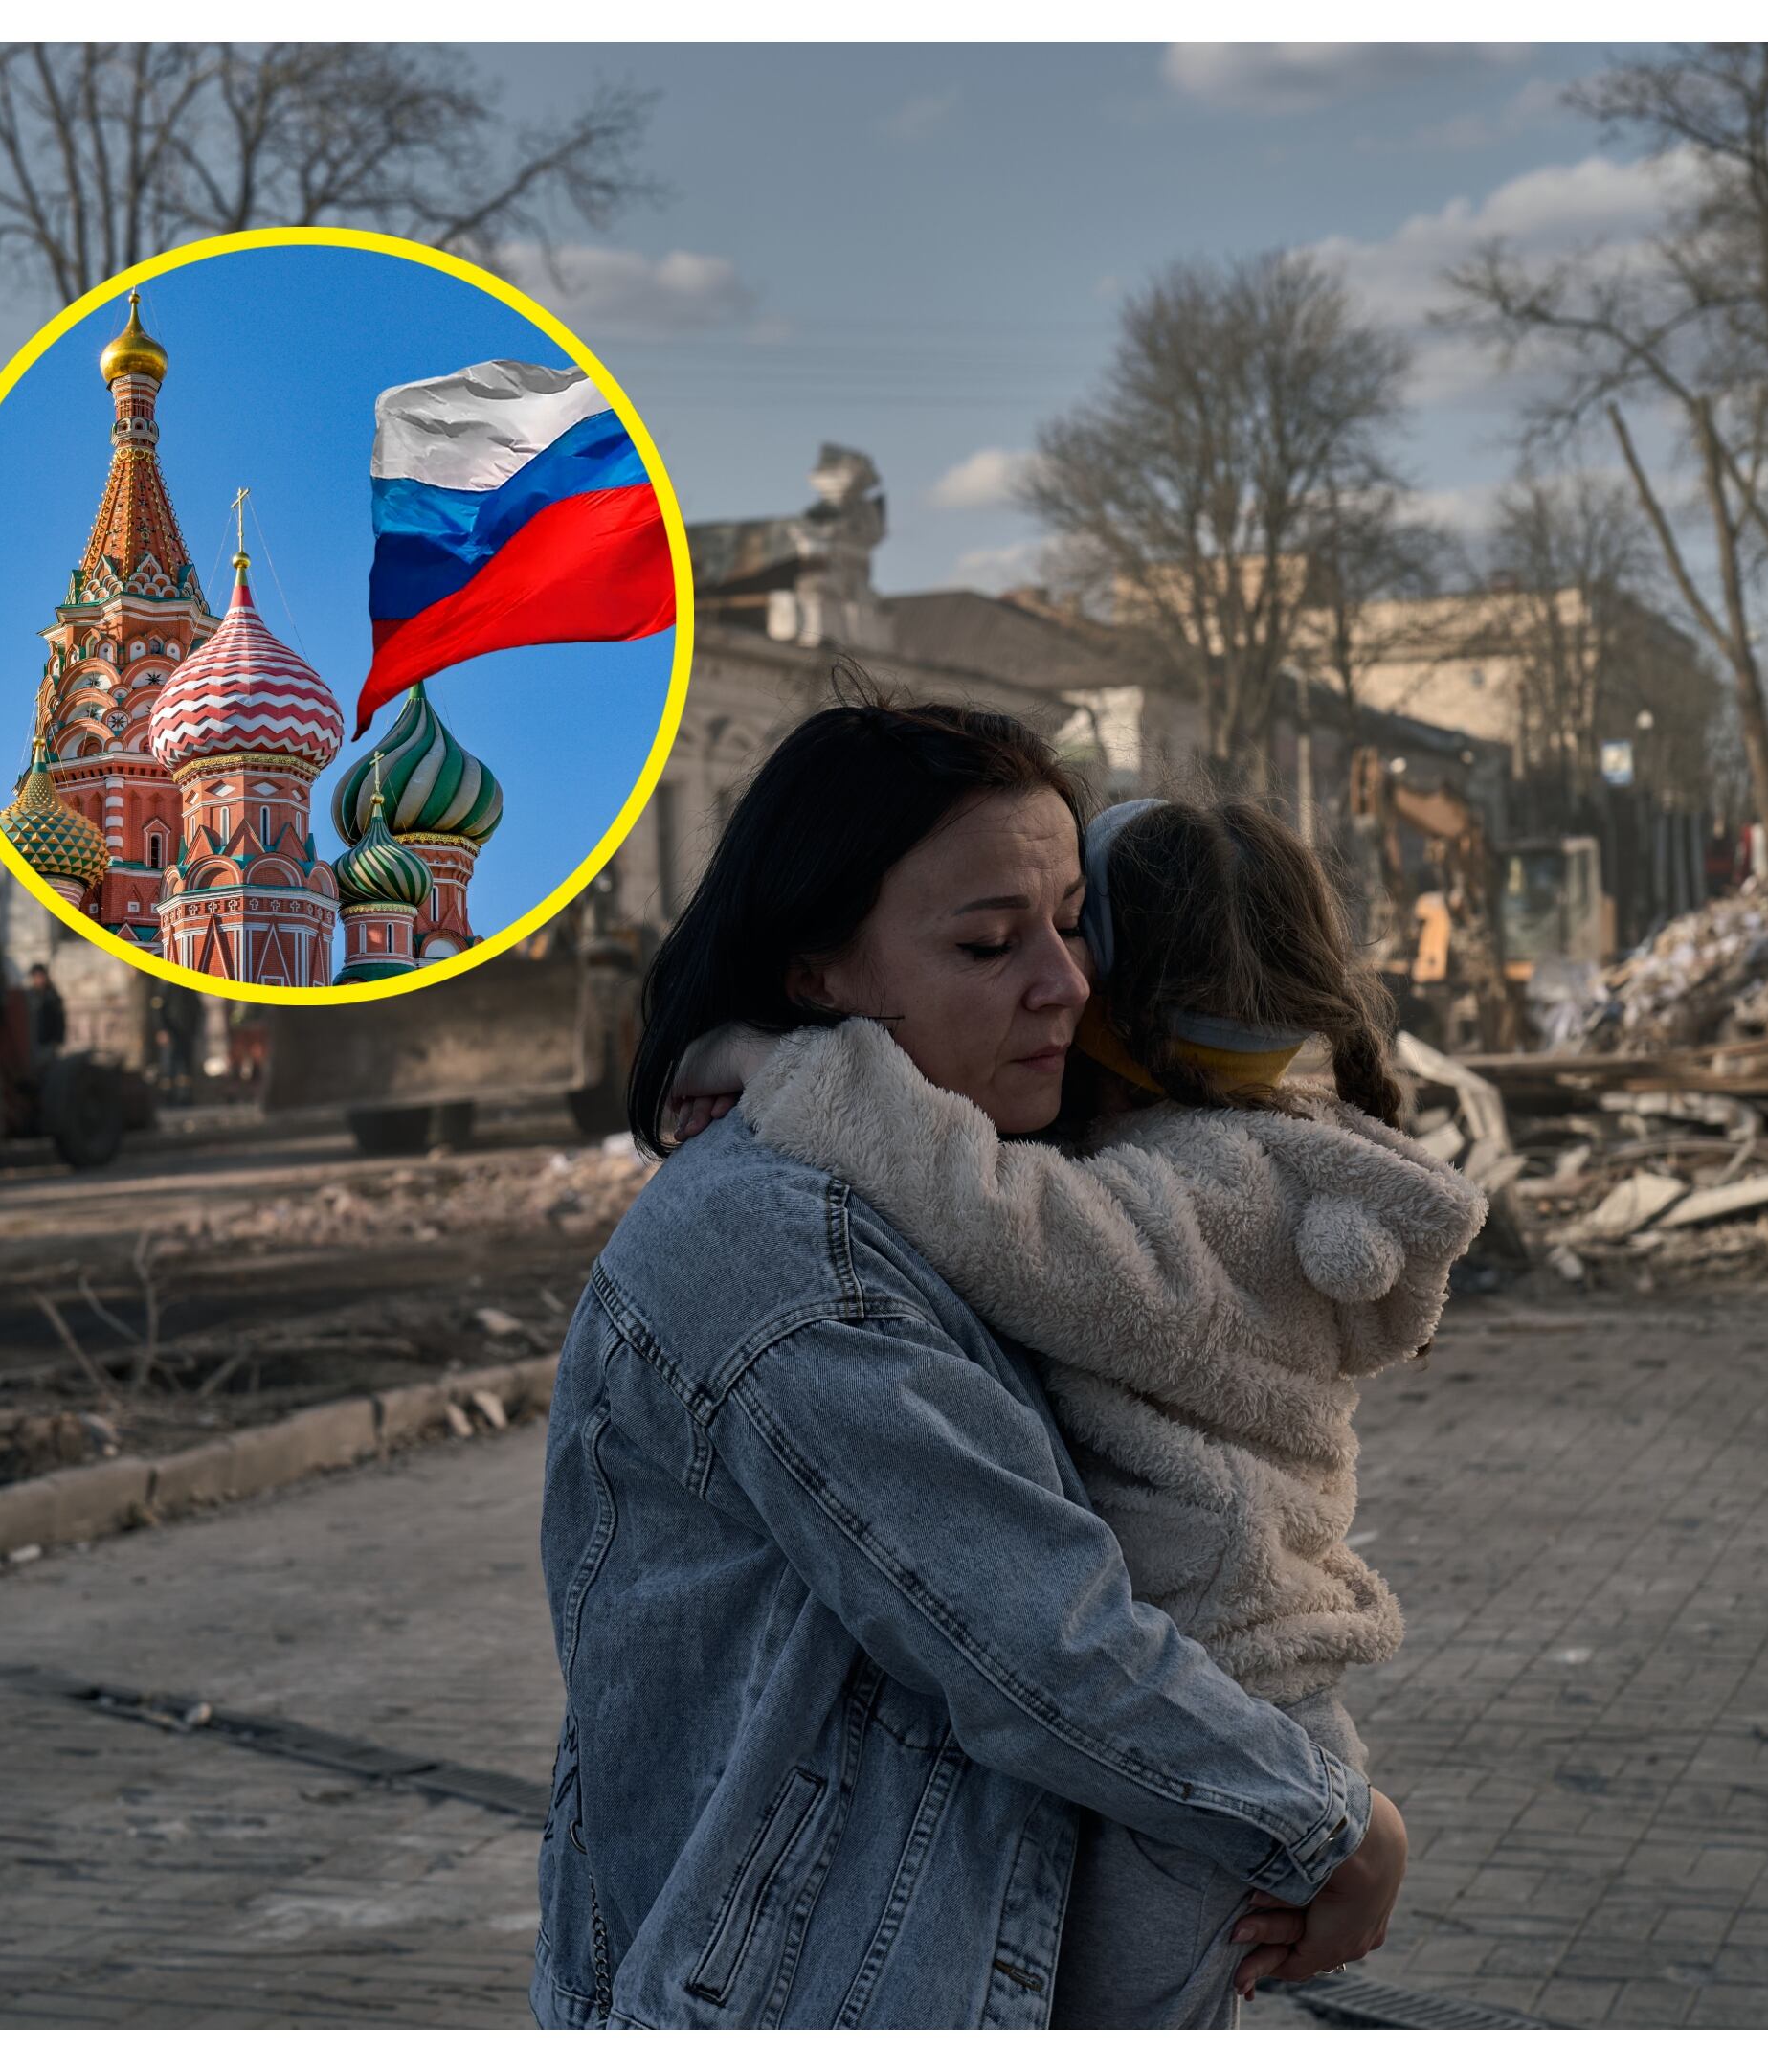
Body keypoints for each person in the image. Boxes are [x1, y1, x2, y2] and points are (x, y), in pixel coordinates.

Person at [534, 695, 1407, 2031]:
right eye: (992, 943)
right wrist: (1329, 1822)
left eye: (1074, 926)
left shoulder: (962, 1189)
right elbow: (1035, 1639)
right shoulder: (784, 1246)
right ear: (818, 972)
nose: (1064, 984)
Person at [25, 963, 67, 1051]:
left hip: (49, 1041)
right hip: (34, 1042)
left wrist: (59, 1039)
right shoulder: (29, 995)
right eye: (36, 976)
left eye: (41, 976)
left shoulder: (52, 995)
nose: (39, 979)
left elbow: (60, 1019)